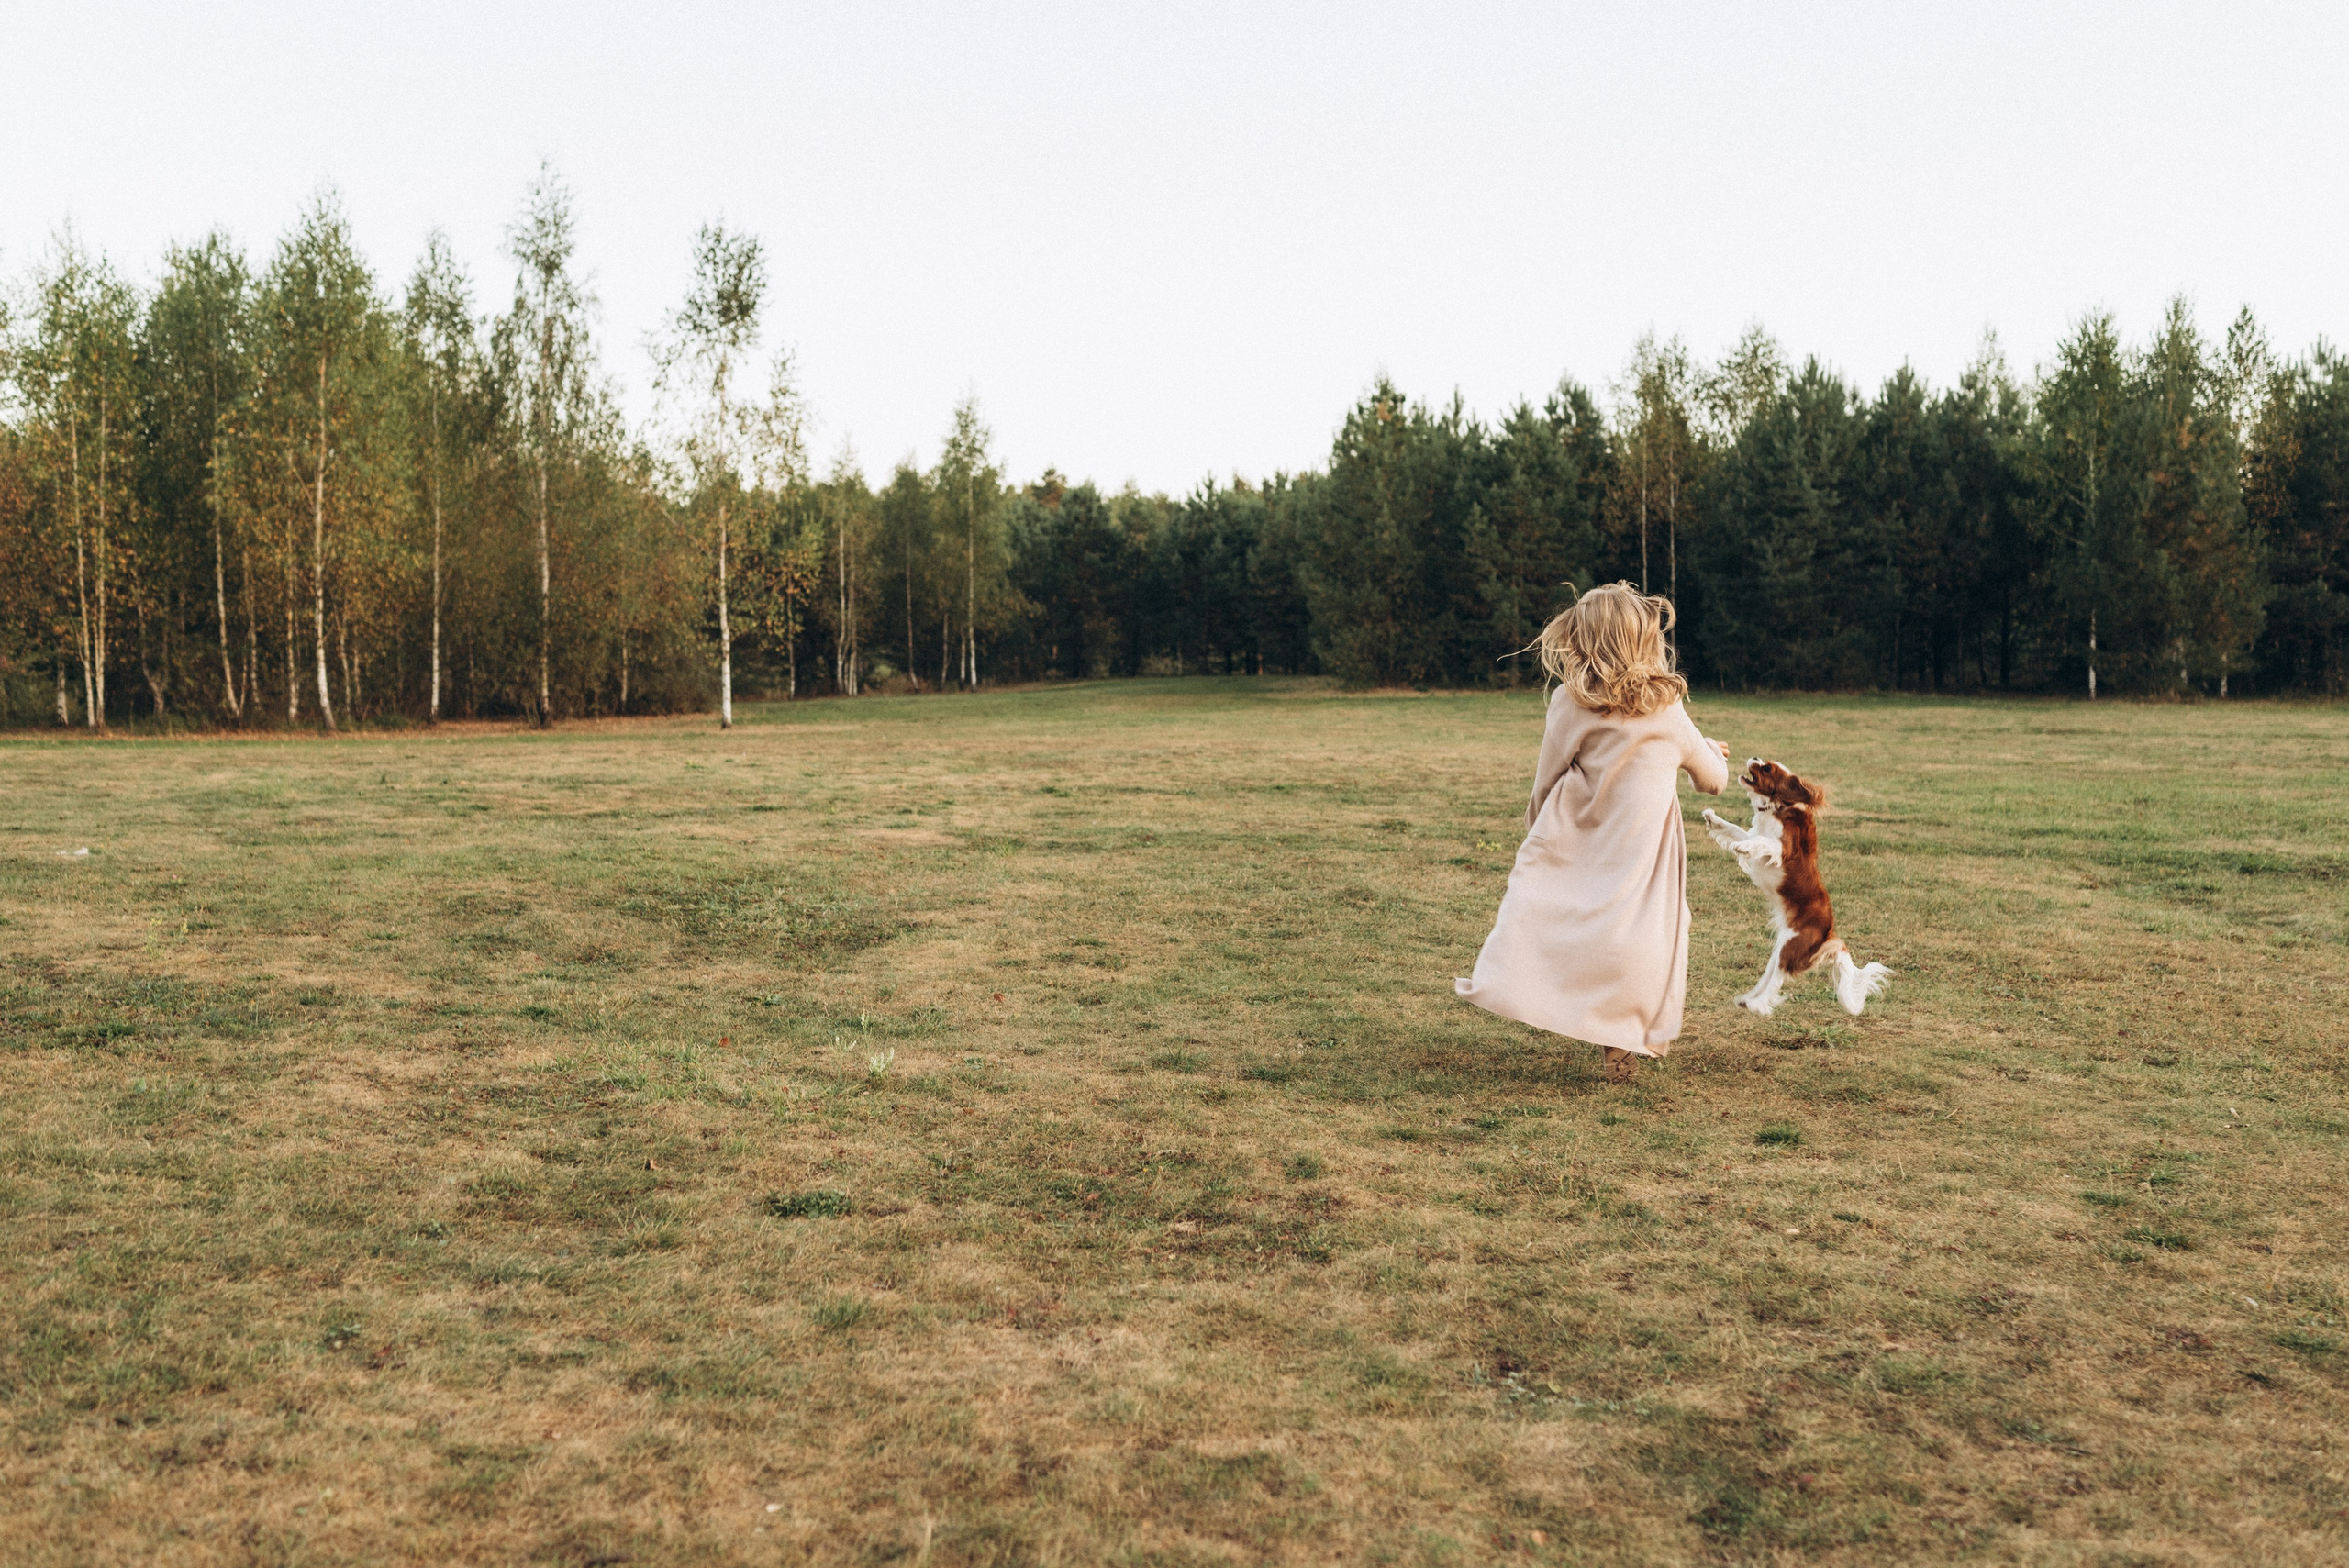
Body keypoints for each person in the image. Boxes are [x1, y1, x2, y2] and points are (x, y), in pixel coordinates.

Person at [1454, 583, 1730, 1083]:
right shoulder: (1669, 711)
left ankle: (1542, 993)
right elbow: (1714, 780)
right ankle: (1623, 1035)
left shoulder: (1569, 702)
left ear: (1583, 642)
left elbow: (1547, 780)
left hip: (1582, 839)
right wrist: (1705, 747)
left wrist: (1538, 836)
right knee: (1641, 935)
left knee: (1562, 918)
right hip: (1643, 854)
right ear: (1644, 639)